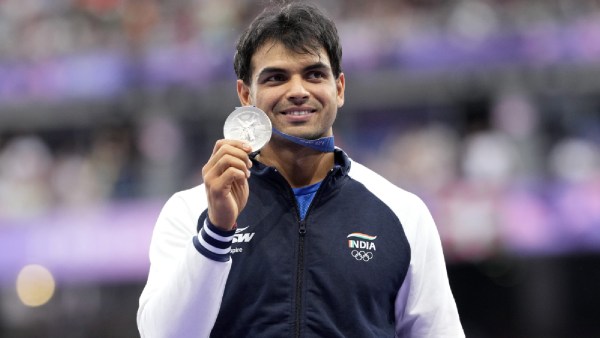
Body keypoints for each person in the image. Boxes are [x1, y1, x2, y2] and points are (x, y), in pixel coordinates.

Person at [137, 2, 464, 337]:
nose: (297, 91)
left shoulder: (404, 214)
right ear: (246, 95)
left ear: (338, 89)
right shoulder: (190, 211)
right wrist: (217, 232)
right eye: (277, 77)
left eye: (314, 74)